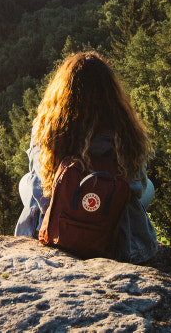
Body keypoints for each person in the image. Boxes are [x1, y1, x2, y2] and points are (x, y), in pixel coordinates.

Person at [14, 50, 158, 263]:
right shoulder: (124, 129)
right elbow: (137, 186)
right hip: (117, 240)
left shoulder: (48, 128)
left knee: (26, 182)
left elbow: (40, 190)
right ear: (110, 92)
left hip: (59, 230)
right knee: (149, 188)